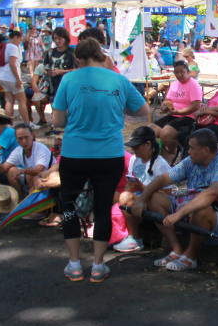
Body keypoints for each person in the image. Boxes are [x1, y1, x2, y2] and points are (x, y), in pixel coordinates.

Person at [52, 39, 149, 283]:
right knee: (103, 208)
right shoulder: (118, 80)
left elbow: (57, 122)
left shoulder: (68, 79)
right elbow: (143, 110)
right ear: (101, 55)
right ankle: (98, 266)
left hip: (75, 153)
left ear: (78, 59)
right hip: (109, 154)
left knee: (68, 206)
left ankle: (74, 264)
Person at [133, 129, 218, 271]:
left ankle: (190, 257)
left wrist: (178, 214)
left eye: (192, 148)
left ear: (205, 150)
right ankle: (177, 249)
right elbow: (162, 179)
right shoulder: (191, 161)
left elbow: (212, 193)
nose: (188, 151)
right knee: (154, 197)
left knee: (202, 208)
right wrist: (141, 200)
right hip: (190, 217)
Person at [114, 127, 174, 253]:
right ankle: (130, 234)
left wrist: (142, 188)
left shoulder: (160, 164)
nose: (133, 150)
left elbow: (167, 196)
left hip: (152, 208)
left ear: (148, 145)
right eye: (132, 147)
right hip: (136, 203)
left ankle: (135, 238)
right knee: (122, 195)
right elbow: (128, 185)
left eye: (136, 147)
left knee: (126, 197)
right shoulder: (134, 159)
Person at [149, 60, 203, 162]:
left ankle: (172, 152)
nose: (179, 75)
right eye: (176, 72)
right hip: (173, 115)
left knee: (165, 134)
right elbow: (167, 100)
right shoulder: (174, 84)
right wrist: (165, 106)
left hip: (187, 117)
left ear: (188, 71)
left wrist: (179, 112)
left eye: (182, 72)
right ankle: (163, 155)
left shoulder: (193, 85)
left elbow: (196, 106)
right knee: (149, 132)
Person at [2, 123, 52, 200]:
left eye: (26, 137)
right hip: (35, 179)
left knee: (30, 175)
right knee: (11, 171)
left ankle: (35, 202)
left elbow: (39, 170)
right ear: (16, 139)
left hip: (48, 179)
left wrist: (25, 170)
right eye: (20, 138)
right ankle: (19, 200)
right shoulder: (18, 150)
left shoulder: (40, 148)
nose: (24, 141)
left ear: (32, 135)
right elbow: (3, 169)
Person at [0, 30, 33, 127]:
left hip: (2, 76)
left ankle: (9, 124)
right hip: (11, 77)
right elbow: (12, 64)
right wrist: (17, 78)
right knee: (22, 101)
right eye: (20, 40)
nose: (20, 42)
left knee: (9, 100)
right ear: (16, 37)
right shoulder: (13, 47)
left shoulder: (4, 45)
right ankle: (27, 124)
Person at [42, 27, 75, 106]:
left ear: (65, 38)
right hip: (53, 87)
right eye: (55, 38)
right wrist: (47, 72)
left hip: (68, 86)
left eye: (59, 39)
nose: (57, 41)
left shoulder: (72, 52)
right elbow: (44, 67)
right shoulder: (50, 52)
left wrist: (61, 72)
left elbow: (77, 70)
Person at [29, 61, 50, 127]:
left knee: (37, 98)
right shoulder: (40, 66)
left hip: (51, 91)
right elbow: (34, 77)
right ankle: (29, 121)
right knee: (26, 98)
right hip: (41, 89)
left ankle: (42, 119)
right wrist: (34, 85)